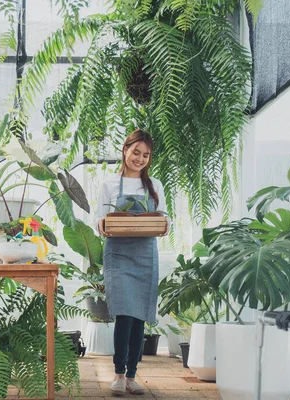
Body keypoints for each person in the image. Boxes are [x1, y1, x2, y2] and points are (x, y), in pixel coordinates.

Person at [93, 129, 170, 396]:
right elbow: (99, 221)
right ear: (125, 150)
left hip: (145, 255)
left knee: (139, 318)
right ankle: (118, 374)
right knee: (124, 314)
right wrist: (103, 223)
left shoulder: (155, 185)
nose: (140, 159)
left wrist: (164, 224)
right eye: (136, 152)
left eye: (145, 155)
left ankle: (133, 376)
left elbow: (164, 219)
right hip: (118, 254)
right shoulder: (109, 185)